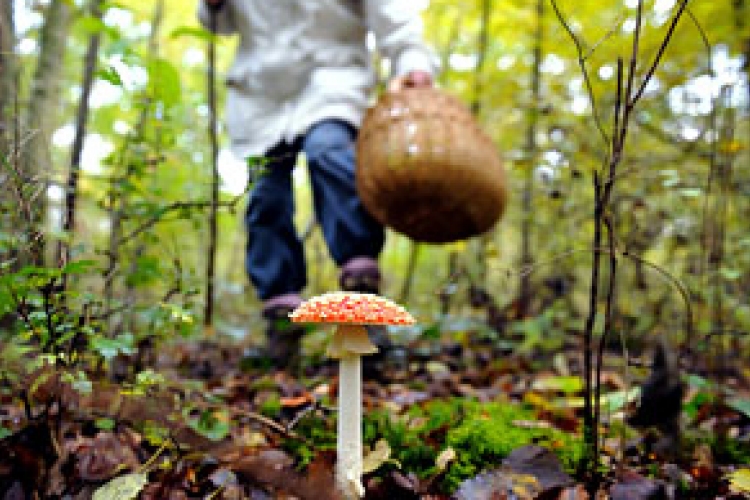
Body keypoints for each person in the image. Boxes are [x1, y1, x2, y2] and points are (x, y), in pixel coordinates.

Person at [197, 0, 436, 368]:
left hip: (333, 79)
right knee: (265, 196)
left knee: (329, 153)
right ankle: (281, 323)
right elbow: (218, 23)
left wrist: (412, 61)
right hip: (261, 94)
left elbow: (391, 13)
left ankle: (363, 303)